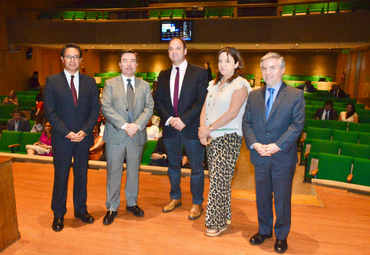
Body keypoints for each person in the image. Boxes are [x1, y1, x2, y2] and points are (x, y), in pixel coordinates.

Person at [242, 52, 305, 254]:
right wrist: (254, 144)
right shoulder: (253, 95)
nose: (267, 72)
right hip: (260, 155)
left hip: (282, 157)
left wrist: (278, 145)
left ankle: (281, 236)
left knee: (282, 198)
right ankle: (264, 231)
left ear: (282, 70)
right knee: (262, 196)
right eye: (264, 68)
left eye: (272, 68)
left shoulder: (295, 95)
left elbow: (297, 126)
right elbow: (246, 123)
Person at [44, 43, 100, 232]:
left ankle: (81, 210)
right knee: (61, 177)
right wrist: (66, 132)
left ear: (81, 60)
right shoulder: (52, 81)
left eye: (76, 57)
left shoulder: (90, 82)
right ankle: (58, 214)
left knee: (81, 177)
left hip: (83, 138)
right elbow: (50, 111)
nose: (72, 60)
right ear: (62, 59)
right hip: (62, 138)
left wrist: (85, 130)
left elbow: (94, 110)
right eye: (69, 56)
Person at [198, 47, 251, 237]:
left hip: (228, 138)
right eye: (220, 61)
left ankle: (216, 222)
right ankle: (225, 215)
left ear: (237, 63)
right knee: (218, 180)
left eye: (228, 61)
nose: (223, 65)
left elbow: (232, 113)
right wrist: (202, 130)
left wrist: (209, 128)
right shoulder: (215, 84)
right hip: (212, 137)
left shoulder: (240, 84)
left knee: (218, 182)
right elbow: (205, 106)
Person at [154, 37, 208, 220]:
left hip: (191, 128)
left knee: (196, 169)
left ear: (185, 51)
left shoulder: (199, 73)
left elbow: (201, 101)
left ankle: (197, 202)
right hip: (170, 129)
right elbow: (158, 101)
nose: (174, 51)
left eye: (178, 48)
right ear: (168, 52)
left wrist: (183, 120)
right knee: (173, 166)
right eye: (170, 49)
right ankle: (175, 197)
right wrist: (170, 119)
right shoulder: (163, 74)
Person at [101, 49, 153, 225]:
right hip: (116, 134)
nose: (129, 64)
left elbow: (149, 108)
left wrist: (136, 125)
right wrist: (124, 126)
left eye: (132, 61)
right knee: (113, 173)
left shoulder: (145, 85)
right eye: (125, 60)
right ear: (119, 64)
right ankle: (112, 207)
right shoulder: (109, 84)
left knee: (133, 172)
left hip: (136, 135)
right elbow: (106, 107)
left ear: (137, 64)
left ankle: (132, 203)